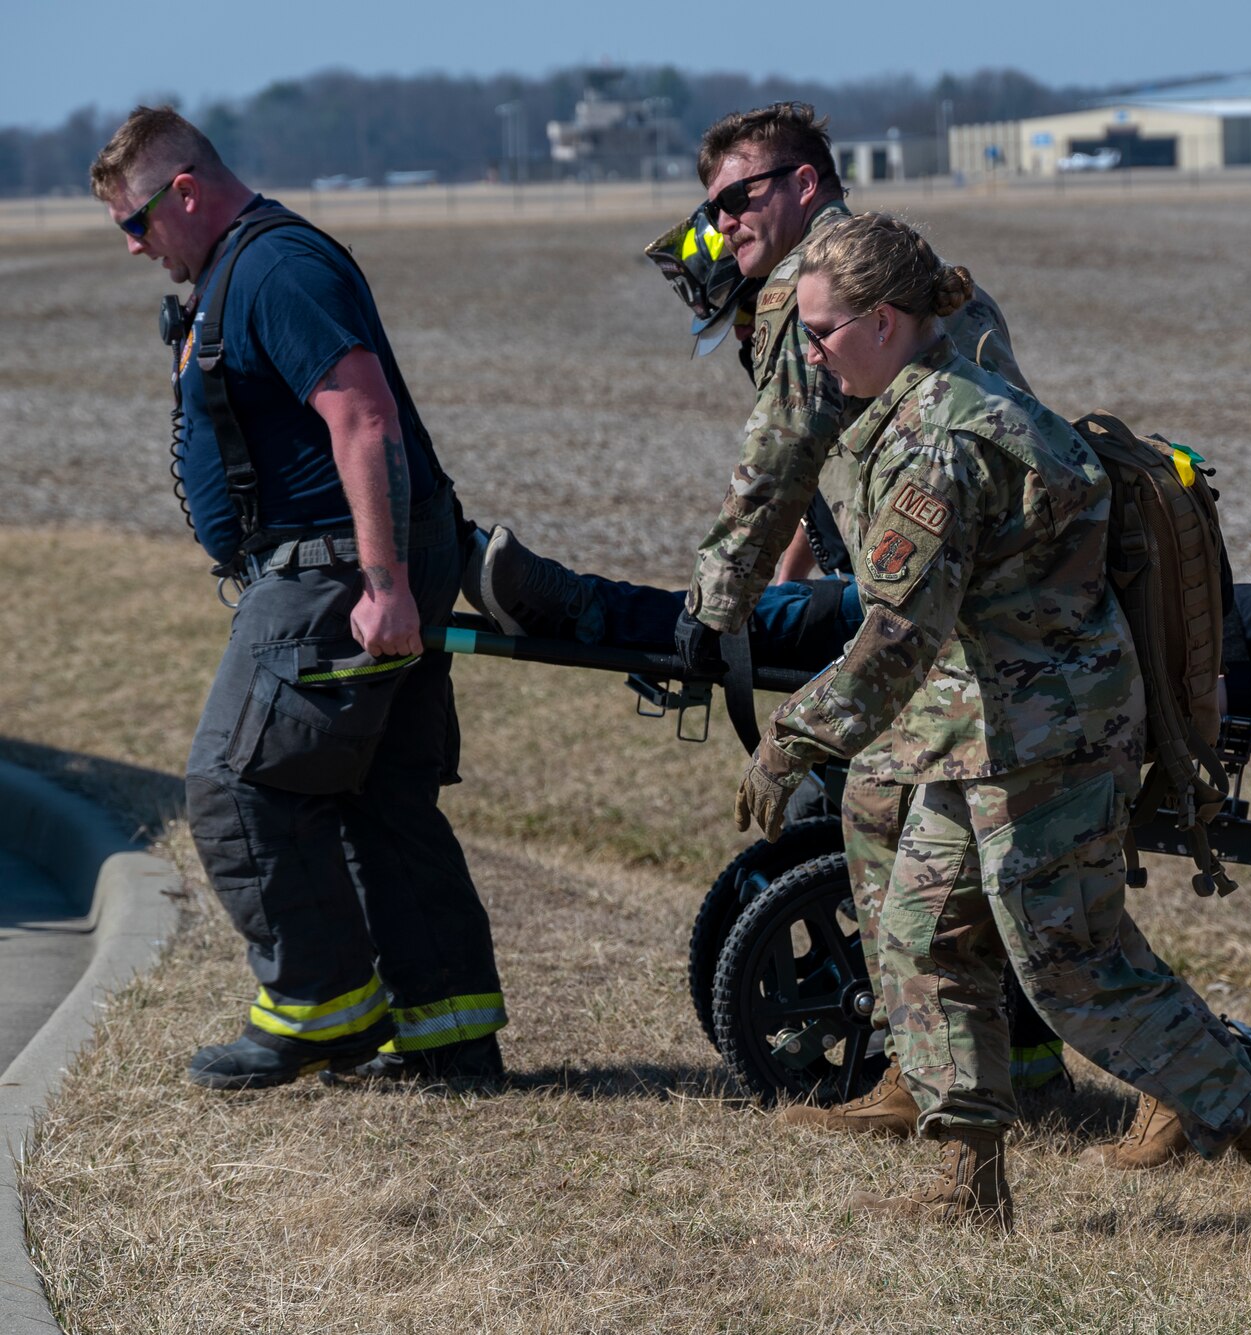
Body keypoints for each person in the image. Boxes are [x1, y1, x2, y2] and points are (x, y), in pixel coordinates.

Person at [734, 210, 1251, 1231]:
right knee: (925, 937)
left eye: (821, 331)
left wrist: (794, 735)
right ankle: (964, 1179)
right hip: (982, 730)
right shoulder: (944, 400)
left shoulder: (939, 440)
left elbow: (898, 632)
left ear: (886, 321)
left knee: (1074, 970)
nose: (807, 353)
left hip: (1045, 740)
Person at [467, 103, 1058, 1135]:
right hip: (1000, 588)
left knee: (864, 812)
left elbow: (778, 462)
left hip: (939, 608)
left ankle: (929, 1071)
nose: (722, 223)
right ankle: (998, 1056)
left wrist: (715, 608)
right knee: (925, 828)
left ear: (801, 181)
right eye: (709, 205)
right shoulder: (911, 270)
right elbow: (831, 483)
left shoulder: (811, 287)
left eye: (737, 198)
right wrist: (783, 577)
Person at [89, 108, 506, 1090]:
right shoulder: (240, 268)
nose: (134, 246)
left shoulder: (275, 270)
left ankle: (318, 1010)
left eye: (136, 223)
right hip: (342, 563)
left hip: (333, 571)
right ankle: (450, 1033)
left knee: (236, 784)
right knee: (377, 795)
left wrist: (384, 582)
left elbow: (362, 416)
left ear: (185, 190)